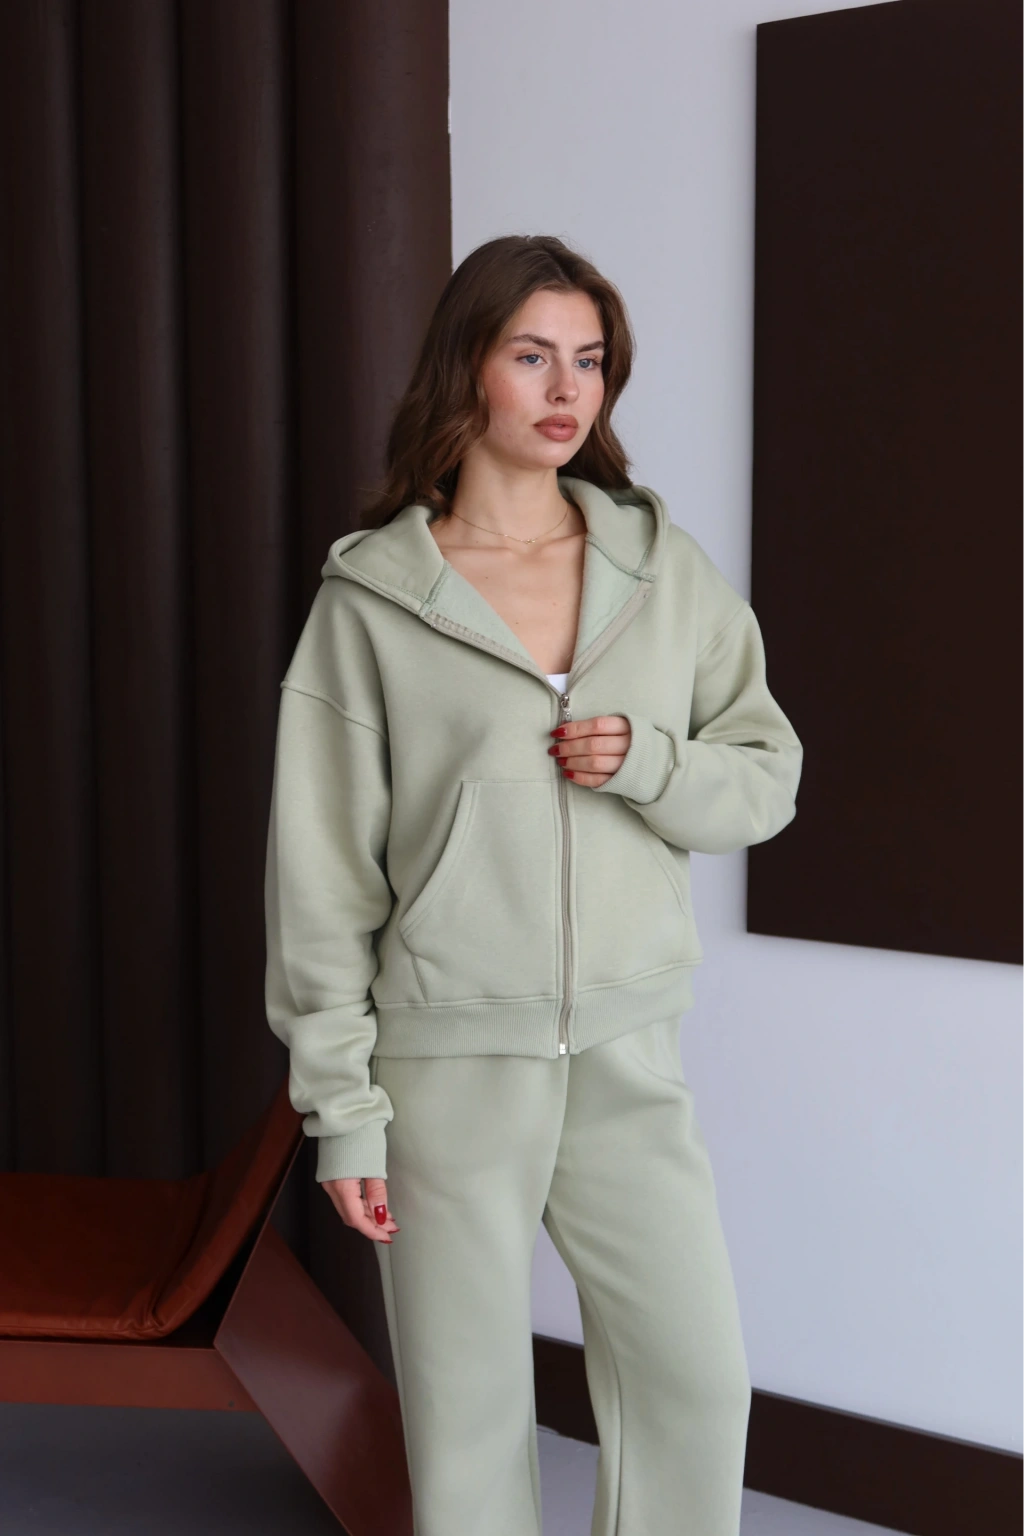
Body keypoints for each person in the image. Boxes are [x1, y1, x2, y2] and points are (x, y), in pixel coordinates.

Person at [264, 233, 803, 1536]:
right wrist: (345, 1114)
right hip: (445, 1064)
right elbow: (320, 879)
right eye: (532, 356)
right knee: (467, 1418)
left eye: (591, 361)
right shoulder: (374, 601)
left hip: (626, 1045)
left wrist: (650, 763)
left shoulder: (660, 571)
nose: (567, 390)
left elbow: (765, 778)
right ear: (469, 369)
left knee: (693, 1380)